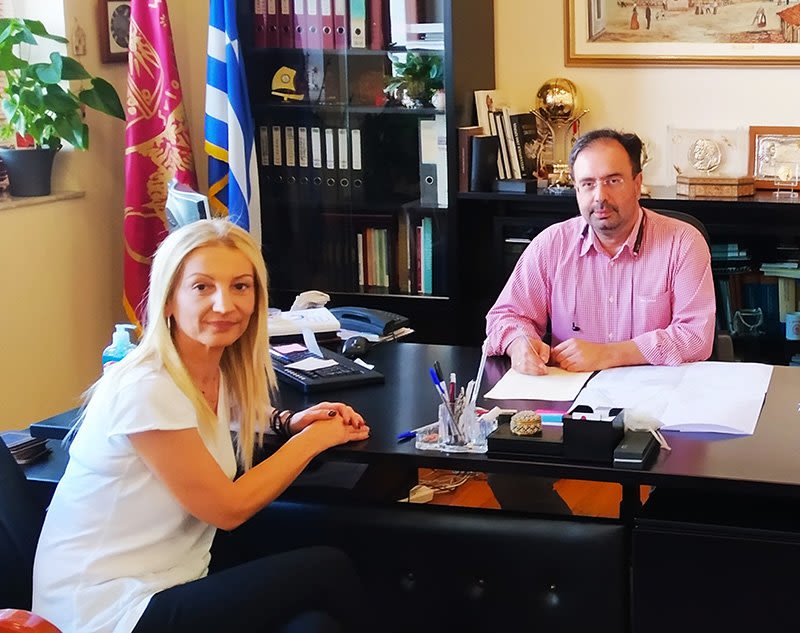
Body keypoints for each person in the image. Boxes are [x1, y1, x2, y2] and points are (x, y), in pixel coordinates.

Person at [32, 219, 371, 633]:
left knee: (312, 625)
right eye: (202, 287)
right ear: (169, 301)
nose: (225, 305)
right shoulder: (146, 387)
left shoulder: (208, 367)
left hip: (172, 580)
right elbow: (228, 510)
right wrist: (312, 440)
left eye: (240, 286)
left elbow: (227, 410)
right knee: (326, 568)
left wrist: (287, 420)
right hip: (106, 609)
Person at [484, 129, 716, 514]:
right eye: (587, 184)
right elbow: (506, 315)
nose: (599, 196)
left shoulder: (682, 242)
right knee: (507, 469)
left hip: (659, 404)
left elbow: (696, 336)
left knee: (687, 482)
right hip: (572, 402)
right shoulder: (551, 245)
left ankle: (645, 544)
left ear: (638, 183)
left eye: (613, 180)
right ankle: (574, 546)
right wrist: (518, 342)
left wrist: (609, 354)